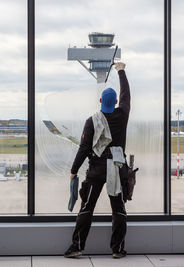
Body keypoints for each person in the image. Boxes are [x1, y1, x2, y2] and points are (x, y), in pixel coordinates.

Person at [64, 62, 130, 259]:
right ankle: (117, 250)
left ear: (100, 101)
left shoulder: (92, 121)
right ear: (116, 101)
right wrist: (121, 71)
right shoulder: (122, 115)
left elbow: (84, 148)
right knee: (118, 209)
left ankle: (77, 246)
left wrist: (74, 170)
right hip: (116, 168)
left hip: (97, 169)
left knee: (87, 207)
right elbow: (127, 95)